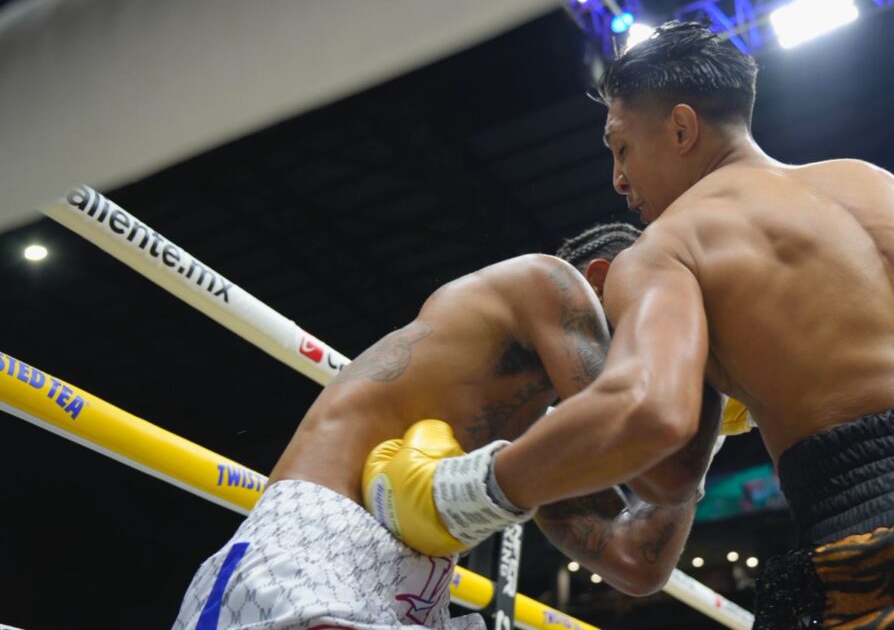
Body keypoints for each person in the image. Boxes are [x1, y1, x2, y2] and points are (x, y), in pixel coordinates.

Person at [381, 22, 894, 628]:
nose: (618, 180)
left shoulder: (674, 244)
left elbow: (651, 425)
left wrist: (471, 489)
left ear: (681, 128)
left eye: (621, 147)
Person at [171, 223, 719, 630]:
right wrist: (709, 375)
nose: (664, 338)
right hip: (313, 553)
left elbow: (634, 562)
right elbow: (654, 435)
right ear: (599, 279)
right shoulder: (545, 281)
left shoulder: (538, 441)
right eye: (659, 315)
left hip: (408, 600)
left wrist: (709, 435)